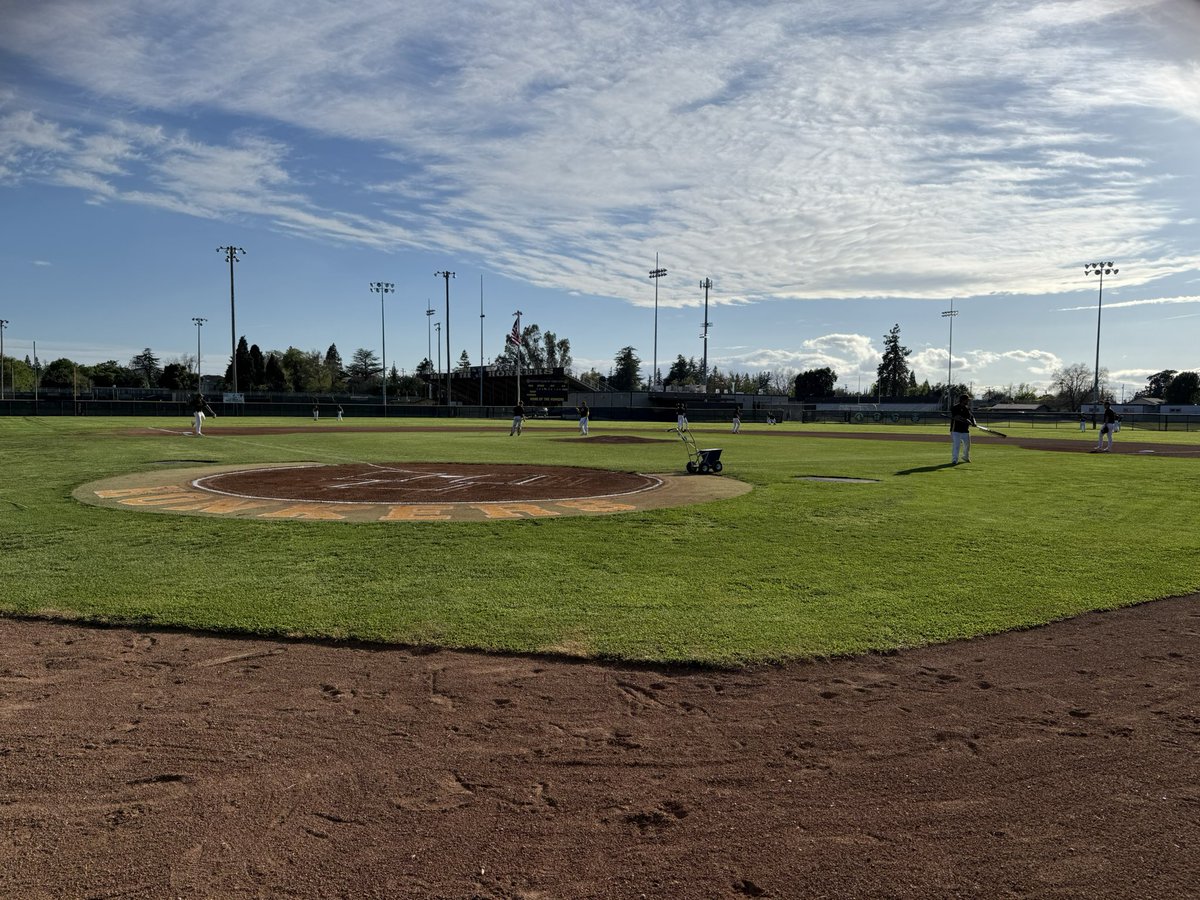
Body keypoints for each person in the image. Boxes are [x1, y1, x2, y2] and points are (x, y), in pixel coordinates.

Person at [950, 394, 975, 464]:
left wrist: (974, 422)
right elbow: (956, 417)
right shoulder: (955, 408)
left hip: (965, 430)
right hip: (956, 430)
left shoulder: (967, 409)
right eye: (967, 400)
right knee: (956, 445)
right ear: (963, 400)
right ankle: (954, 460)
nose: (968, 401)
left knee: (967, 445)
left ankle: (965, 457)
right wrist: (966, 420)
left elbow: (972, 417)